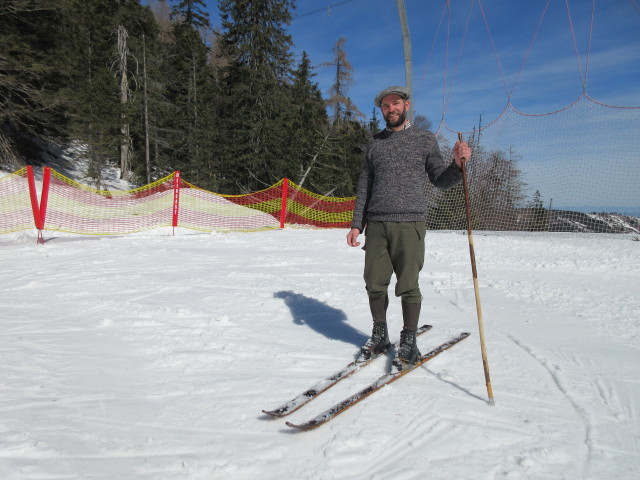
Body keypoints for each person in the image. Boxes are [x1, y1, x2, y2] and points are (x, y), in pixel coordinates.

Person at [346, 85, 472, 371]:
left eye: (395, 104)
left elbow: (440, 179)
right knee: (374, 282)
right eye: (385, 106)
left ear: (406, 105)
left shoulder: (424, 139)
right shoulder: (374, 143)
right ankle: (380, 336)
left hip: (410, 223)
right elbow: (364, 185)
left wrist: (458, 164)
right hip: (376, 224)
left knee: (408, 285)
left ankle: (409, 340)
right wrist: (357, 224)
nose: (390, 109)